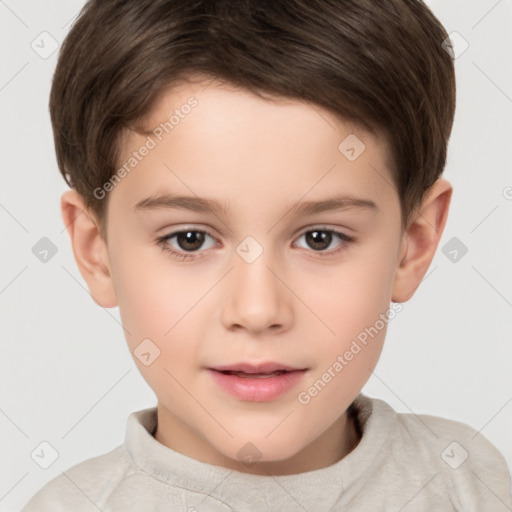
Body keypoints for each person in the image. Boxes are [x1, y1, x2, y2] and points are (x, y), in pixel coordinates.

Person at [21, 0, 512, 510]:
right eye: (189, 239)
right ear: (95, 251)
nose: (257, 310)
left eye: (321, 238)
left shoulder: (472, 482)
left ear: (414, 244)